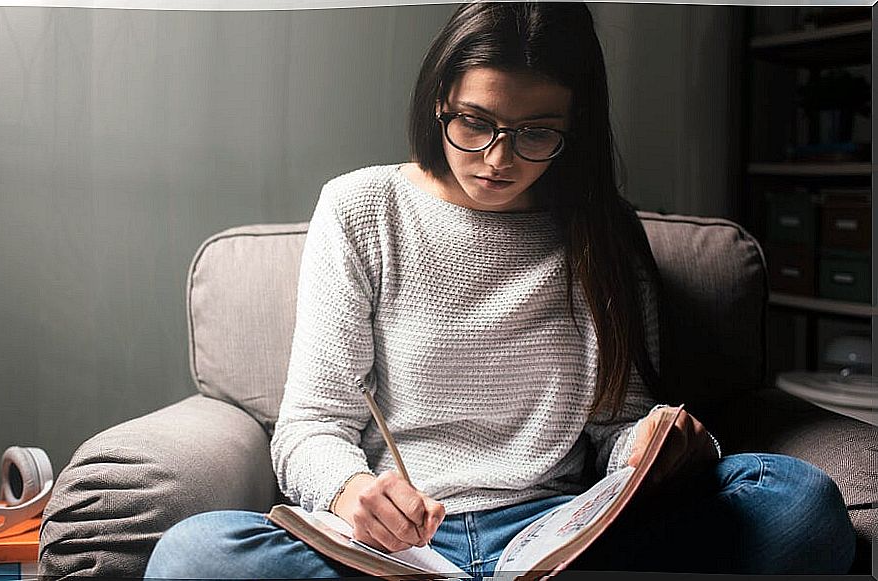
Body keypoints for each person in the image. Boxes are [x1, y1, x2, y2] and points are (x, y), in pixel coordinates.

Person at [144, 3, 856, 579]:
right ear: (439, 102)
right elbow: (311, 425)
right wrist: (351, 491)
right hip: (398, 546)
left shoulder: (600, 232)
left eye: (536, 133)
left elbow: (616, 425)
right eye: (475, 122)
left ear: (574, 129)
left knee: (797, 504)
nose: (498, 159)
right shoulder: (363, 210)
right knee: (193, 554)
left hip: (559, 535)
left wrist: (649, 443)